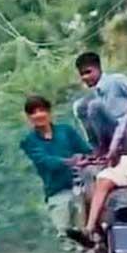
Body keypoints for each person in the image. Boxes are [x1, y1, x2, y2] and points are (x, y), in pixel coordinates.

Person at [20, 94, 93, 241]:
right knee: (65, 234)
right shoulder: (29, 141)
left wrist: (84, 159)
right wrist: (70, 161)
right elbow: (45, 161)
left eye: (42, 110)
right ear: (28, 117)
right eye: (33, 112)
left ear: (49, 112)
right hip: (57, 191)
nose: (38, 115)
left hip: (79, 187)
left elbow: (86, 150)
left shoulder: (66, 131)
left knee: (84, 235)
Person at [71, 52, 127, 157]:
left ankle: (105, 147)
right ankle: (96, 147)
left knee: (94, 106)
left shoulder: (116, 80)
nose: (85, 77)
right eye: (82, 74)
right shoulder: (96, 92)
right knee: (79, 106)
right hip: (111, 134)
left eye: (88, 72)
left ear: (99, 69)